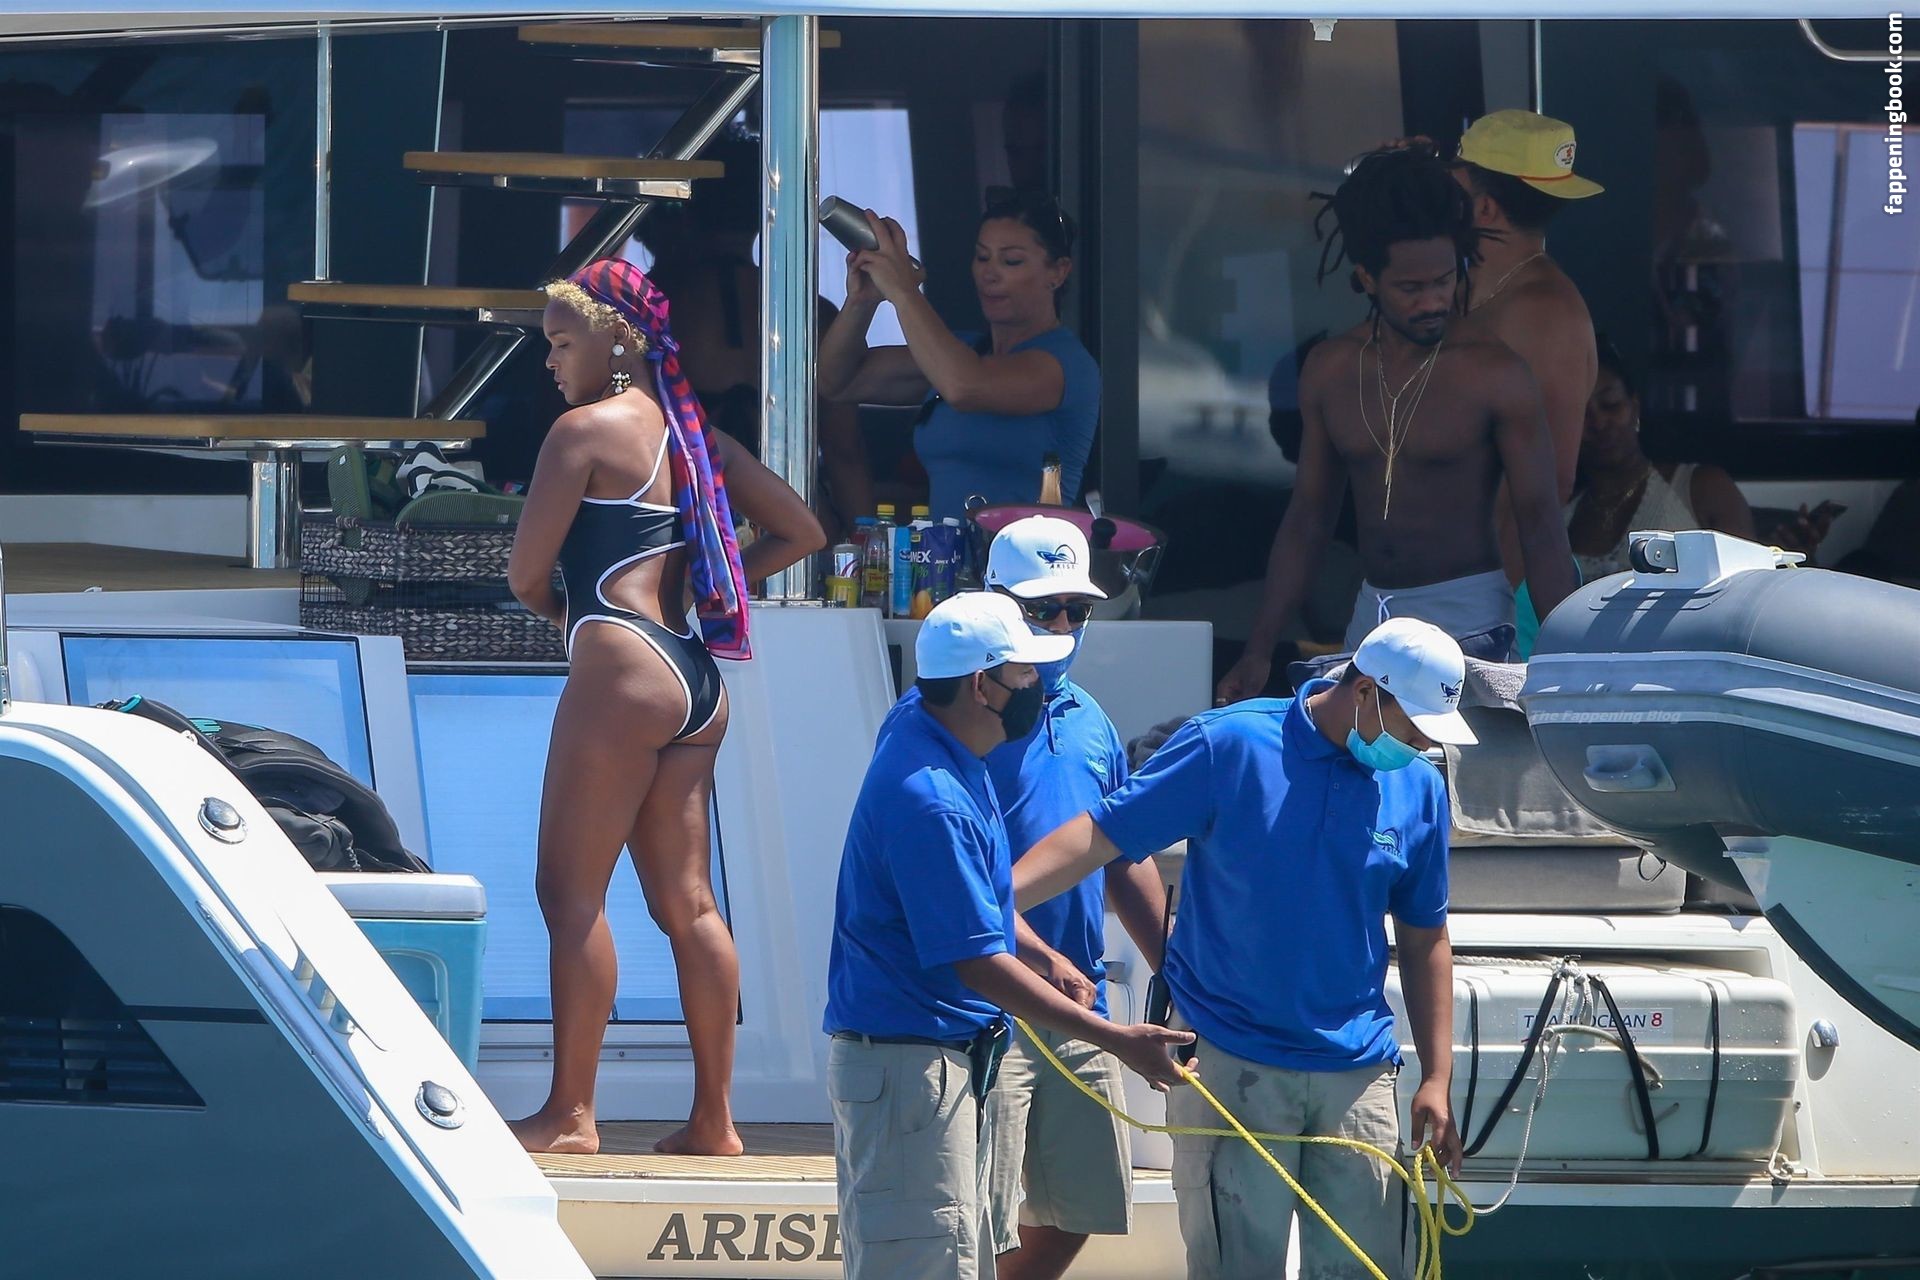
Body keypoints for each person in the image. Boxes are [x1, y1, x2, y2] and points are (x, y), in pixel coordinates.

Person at [1016, 617, 1475, 1280]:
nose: (1423, 744)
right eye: (1415, 727)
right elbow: (1103, 835)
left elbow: (1426, 934)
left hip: (1359, 1071)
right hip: (1229, 1063)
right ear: (1366, 692)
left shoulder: (1421, 786)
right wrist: (993, 901)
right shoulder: (1227, 743)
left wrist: (1436, 1077)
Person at [505, 259, 825, 1157]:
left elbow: (526, 575)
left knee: (570, 896)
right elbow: (804, 531)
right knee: (689, 904)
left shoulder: (581, 433)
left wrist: (579, 622)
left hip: (621, 667)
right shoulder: (696, 437)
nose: (551, 362)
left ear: (617, 337)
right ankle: (715, 1121)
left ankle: (571, 1114)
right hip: (693, 671)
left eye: (560, 342)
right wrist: (701, 587)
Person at [824, 590, 1191, 1280]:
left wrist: (1044, 955)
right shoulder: (931, 794)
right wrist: (1115, 1038)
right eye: (1025, 673)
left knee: (959, 1260)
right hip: (912, 1068)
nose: (1040, 686)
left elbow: (981, 907)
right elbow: (975, 961)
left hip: (940, 1062)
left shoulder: (953, 753)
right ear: (980, 685)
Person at [1215, 146, 1577, 704]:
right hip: (1372, 613)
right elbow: (1309, 516)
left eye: (1444, 281)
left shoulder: (1495, 373)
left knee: (1452, 758)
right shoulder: (1332, 369)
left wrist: (1568, 663)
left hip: (1470, 619)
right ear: (1367, 278)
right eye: (1412, 288)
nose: (1433, 301)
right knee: (1357, 755)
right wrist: (1259, 647)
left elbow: (1542, 525)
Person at [968, 516, 1171, 1280]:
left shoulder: (1093, 719)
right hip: (985, 1001)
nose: (1061, 625)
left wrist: (1178, 972)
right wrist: (1038, 957)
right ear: (995, 602)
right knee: (975, 1215)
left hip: (1079, 999)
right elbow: (953, 882)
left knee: (1081, 1206)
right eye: (1041, 608)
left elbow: (1124, 856)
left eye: (1075, 609)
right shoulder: (959, 717)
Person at [641, 132, 874, 541]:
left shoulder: (647, 308)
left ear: (682, 209)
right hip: (797, 523)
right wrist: (870, 549)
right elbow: (845, 453)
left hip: (687, 527)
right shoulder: (813, 313)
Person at [817, 190, 1101, 520]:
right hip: (944, 552)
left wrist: (904, 291)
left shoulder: (1065, 364)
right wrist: (862, 301)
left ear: (1058, 272)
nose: (990, 273)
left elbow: (964, 387)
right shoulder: (961, 352)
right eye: (982, 257)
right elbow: (838, 382)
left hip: (1029, 554)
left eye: (1011, 261)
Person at [1450, 111, 1604, 655]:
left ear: (1485, 207)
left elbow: (1546, 490)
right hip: (1451, 594)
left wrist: (1480, 621)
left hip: (1502, 600)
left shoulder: (1545, 312)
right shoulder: (1464, 288)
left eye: (1454, 177)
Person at [1569, 337, 1831, 577]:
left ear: (1635, 407)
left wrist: (1781, 556)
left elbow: (1746, 583)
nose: (1599, 423)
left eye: (1611, 405)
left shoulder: (1702, 487)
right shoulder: (1563, 514)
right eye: (1581, 414)